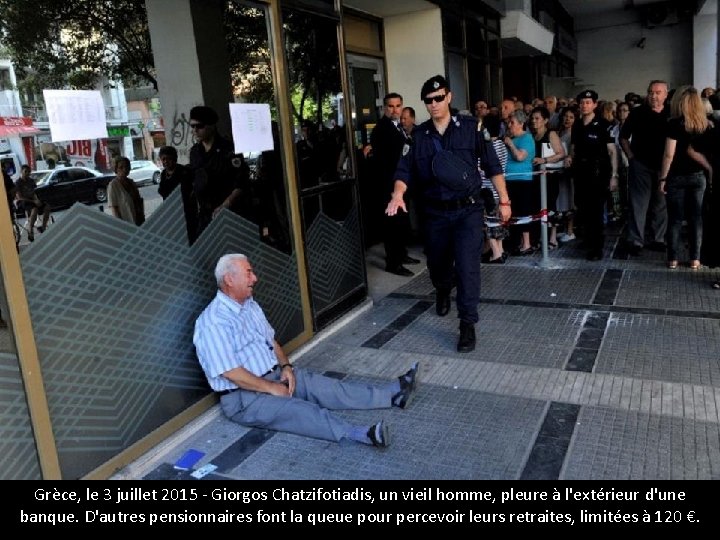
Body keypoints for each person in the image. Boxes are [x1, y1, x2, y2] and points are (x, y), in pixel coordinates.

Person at [193, 253, 420, 448]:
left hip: (274, 376)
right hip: (244, 398)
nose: (255, 278)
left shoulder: (249, 305)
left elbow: (272, 341)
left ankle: (392, 395)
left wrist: (286, 367)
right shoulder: (212, 321)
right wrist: (271, 388)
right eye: (249, 273)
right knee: (301, 411)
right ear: (229, 279)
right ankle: (361, 434)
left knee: (328, 388)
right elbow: (231, 372)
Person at [385, 75, 511, 352]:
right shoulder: (418, 136)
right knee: (439, 265)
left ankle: (467, 324)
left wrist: (505, 200)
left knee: (468, 268)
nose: (433, 104)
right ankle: (443, 288)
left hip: (467, 211)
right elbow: (403, 171)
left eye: (438, 98)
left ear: (449, 97)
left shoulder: (471, 128)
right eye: (428, 101)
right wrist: (398, 194)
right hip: (435, 214)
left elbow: (492, 165)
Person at [657, 86, 712, 270]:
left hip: (676, 177)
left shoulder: (673, 124)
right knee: (697, 218)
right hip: (698, 177)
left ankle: (673, 259)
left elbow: (668, 155)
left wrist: (663, 178)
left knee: (675, 219)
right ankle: (695, 259)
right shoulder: (706, 125)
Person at [367, 92, 418, 276]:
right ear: (384, 107)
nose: (395, 109)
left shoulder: (399, 126)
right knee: (392, 225)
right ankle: (393, 262)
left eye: (398, 106)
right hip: (389, 184)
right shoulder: (381, 128)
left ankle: (401, 254)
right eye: (391, 106)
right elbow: (384, 160)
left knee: (402, 222)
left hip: (401, 182)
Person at [620, 80, 670, 255]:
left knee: (661, 203)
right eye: (651, 92)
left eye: (657, 92)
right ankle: (635, 240)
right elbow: (623, 137)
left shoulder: (671, 113)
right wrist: (631, 157)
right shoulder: (638, 112)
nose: (653, 96)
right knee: (638, 203)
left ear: (666, 94)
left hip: (663, 166)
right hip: (640, 164)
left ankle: (658, 239)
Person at [570, 90, 619, 261]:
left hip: (598, 173)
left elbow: (612, 152)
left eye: (588, 103)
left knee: (596, 211)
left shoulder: (604, 125)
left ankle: (597, 247)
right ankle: (588, 240)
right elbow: (574, 148)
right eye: (582, 102)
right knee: (583, 208)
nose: (584, 106)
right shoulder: (576, 125)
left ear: (595, 105)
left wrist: (614, 175)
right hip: (580, 172)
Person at [188, 105, 250, 238]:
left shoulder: (229, 149)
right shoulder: (195, 152)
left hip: (229, 212)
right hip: (205, 214)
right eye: (192, 126)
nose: (195, 130)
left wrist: (226, 205)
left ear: (211, 125)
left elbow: (242, 182)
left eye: (199, 126)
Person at [157, 145, 198, 245]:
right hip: (171, 212)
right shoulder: (163, 174)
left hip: (187, 211)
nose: (166, 162)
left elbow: (190, 190)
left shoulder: (184, 171)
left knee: (191, 237)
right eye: (163, 159)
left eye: (169, 159)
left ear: (174, 158)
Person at [14, 164, 51, 242]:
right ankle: (30, 230)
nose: (27, 173)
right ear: (21, 171)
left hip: (32, 200)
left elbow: (34, 193)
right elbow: (19, 197)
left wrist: (37, 200)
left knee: (47, 207)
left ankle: (43, 227)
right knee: (34, 209)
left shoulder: (31, 181)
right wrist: (34, 201)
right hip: (23, 201)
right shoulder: (18, 183)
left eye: (29, 172)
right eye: (25, 171)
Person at [108, 157, 145, 225]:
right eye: (121, 167)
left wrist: (142, 216)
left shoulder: (132, 182)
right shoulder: (113, 185)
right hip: (126, 224)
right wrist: (122, 225)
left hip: (139, 221)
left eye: (127, 166)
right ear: (116, 169)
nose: (125, 169)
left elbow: (139, 201)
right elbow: (114, 209)